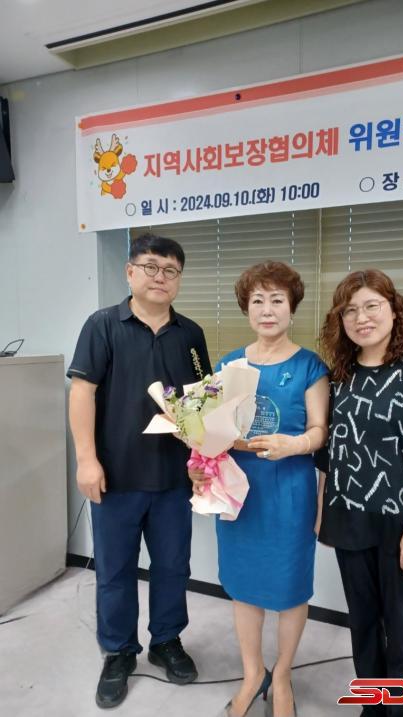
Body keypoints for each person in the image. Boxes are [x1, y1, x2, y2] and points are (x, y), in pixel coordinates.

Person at [68, 233, 211, 709]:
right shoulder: (103, 325)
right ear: (130, 272)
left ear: (179, 280)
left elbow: (201, 403)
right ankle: (119, 652)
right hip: (115, 477)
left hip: (173, 479)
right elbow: (82, 393)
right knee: (115, 571)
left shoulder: (191, 335)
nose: (159, 277)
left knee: (173, 566)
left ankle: (166, 640)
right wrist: (86, 459)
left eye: (170, 270)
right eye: (150, 267)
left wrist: (204, 460)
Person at [190, 261, 329, 717]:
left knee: (291, 590)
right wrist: (200, 465)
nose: (267, 310)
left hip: (289, 491)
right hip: (239, 493)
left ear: (292, 308)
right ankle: (253, 674)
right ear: (246, 308)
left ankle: (282, 675)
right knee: (244, 587)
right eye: (258, 301)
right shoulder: (228, 364)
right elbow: (208, 432)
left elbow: (320, 430)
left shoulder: (310, 366)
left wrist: (296, 444)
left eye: (277, 300)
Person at [316, 269, 403, 716]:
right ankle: (372, 708)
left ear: (394, 310)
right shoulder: (341, 374)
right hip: (350, 519)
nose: (361, 318)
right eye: (350, 310)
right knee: (364, 629)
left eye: (372, 306)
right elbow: (330, 452)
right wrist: (323, 515)